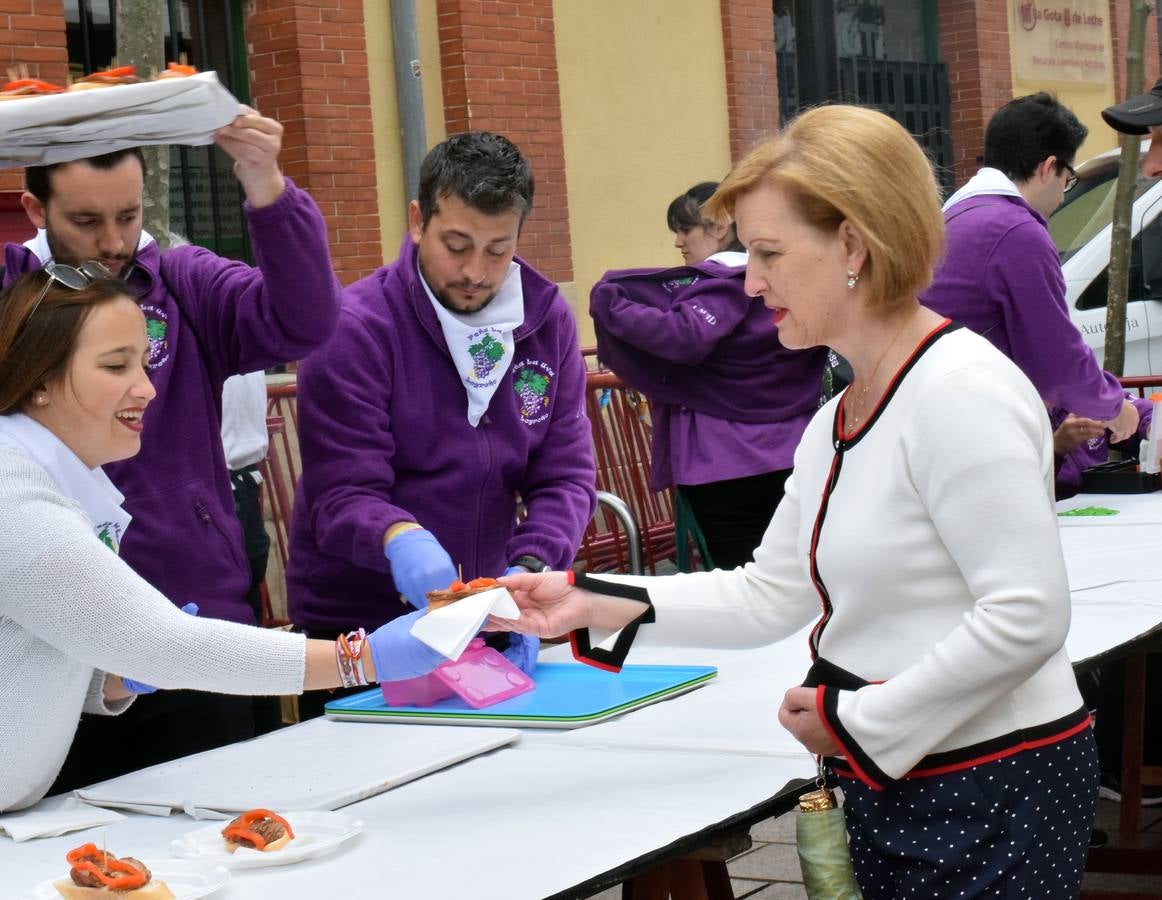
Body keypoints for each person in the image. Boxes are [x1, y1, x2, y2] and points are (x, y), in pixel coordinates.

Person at [494, 105, 1099, 898]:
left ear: (853, 242)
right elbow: (770, 592)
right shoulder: (838, 417)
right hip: (915, 776)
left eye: (770, 253)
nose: (749, 281)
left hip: (989, 786)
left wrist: (861, 722)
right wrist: (585, 602)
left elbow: (1027, 615)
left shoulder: (959, 392)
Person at [0, 270, 443, 813]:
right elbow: (164, 644)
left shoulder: (48, 479)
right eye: (116, 366)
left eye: (143, 362)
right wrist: (362, 658)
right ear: (39, 378)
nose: (146, 387)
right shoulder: (11, 492)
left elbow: (33, 651)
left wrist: (112, 680)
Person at [2, 107, 344, 789]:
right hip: (54, 655)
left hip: (192, 630)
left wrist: (265, 183)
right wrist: (370, 659)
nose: (113, 241)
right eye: (87, 222)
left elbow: (304, 320)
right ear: (37, 209)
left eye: (127, 217)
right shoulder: (12, 297)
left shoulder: (184, 282)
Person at [287, 131, 596, 718]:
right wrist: (398, 537)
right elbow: (341, 493)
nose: (476, 272)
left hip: (488, 617)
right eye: (457, 245)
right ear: (417, 221)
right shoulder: (356, 328)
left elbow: (565, 474)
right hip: (361, 629)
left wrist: (528, 568)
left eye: (497, 250)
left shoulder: (544, 319)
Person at [590, 181, 825, 569]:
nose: (679, 242)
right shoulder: (785, 281)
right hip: (793, 444)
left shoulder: (721, 283)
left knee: (742, 580)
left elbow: (684, 336)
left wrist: (611, 305)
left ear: (720, 227)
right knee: (801, 571)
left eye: (686, 229)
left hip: (723, 458)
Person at [921, 92, 1139, 442]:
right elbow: (1056, 356)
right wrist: (1116, 407)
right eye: (1068, 179)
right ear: (1047, 167)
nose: (1062, 194)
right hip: (969, 426)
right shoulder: (1015, 230)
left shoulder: (956, 216)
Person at [1051, 394, 1154, 500]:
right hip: (1052, 505)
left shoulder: (1082, 390)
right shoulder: (1035, 411)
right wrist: (1057, 449)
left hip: (1097, 497)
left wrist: (1152, 428)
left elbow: (1140, 410)